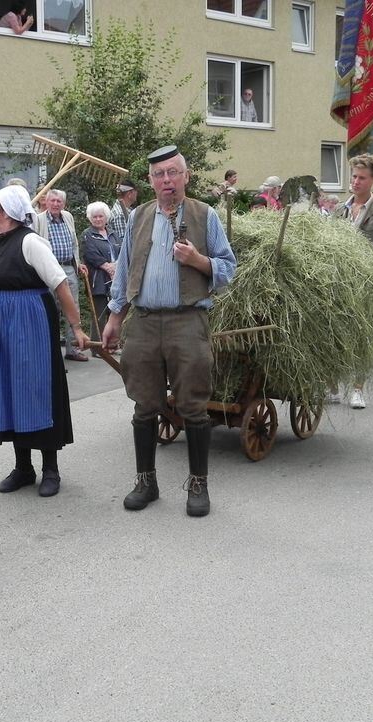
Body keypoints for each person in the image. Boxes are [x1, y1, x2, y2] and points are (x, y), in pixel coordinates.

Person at [102, 145, 237, 517]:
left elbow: (229, 268)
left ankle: (198, 484)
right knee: (144, 404)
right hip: (143, 322)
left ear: (186, 176)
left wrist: (198, 260)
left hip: (188, 321)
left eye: (173, 173)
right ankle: (146, 481)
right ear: (150, 181)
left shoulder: (204, 215)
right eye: (159, 174)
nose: (167, 180)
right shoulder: (138, 217)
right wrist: (115, 317)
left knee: (193, 405)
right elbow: (126, 268)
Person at [0, 185, 88, 497]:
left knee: (35, 390)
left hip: (28, 323)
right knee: (7, 392)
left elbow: (61, 284)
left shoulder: (31, 241)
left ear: (6, 213)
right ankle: (23, 467)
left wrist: (77, 328)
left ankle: (51, 469)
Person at [332, 154, 373, 409]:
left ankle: (358, 389)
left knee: (361, 338)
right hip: (338, 282)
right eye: (354, 176)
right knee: (334, 335)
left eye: (361, 177)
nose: (356, 182)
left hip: (365, 286)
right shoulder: (340, 209)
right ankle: (332, 387)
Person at [33, 189, 89, 361]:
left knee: (73, 307)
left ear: (64, 204)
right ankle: (52, 351)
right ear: (46, 202)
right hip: (48, 270)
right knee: (51, 309)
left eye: (59, 201)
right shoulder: (39, 220)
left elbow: (74, 243)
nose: (56, 204)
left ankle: (73, 349)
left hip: (68, 268)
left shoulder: (68, 217)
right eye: (53, 201)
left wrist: (78, 263)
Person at [81, 201, 118, 345]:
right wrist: (108, 267)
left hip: (115, 278)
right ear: (90, 218)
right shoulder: (87, 235)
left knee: (114, 311)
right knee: (99, 313)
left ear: (106, 217)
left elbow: (121, 250)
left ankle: (112, 343)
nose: (98, 219)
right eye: (94, 217)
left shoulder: (113, 233)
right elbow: (90, 254)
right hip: (98, 279)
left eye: (100, 216)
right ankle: (97, 346)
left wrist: (117, 267)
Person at [108, 178, 138, 248]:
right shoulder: (120, 214)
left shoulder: (128, 210)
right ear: (129, 193)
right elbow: (124, 243)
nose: (137, 194)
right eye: (135, 191)